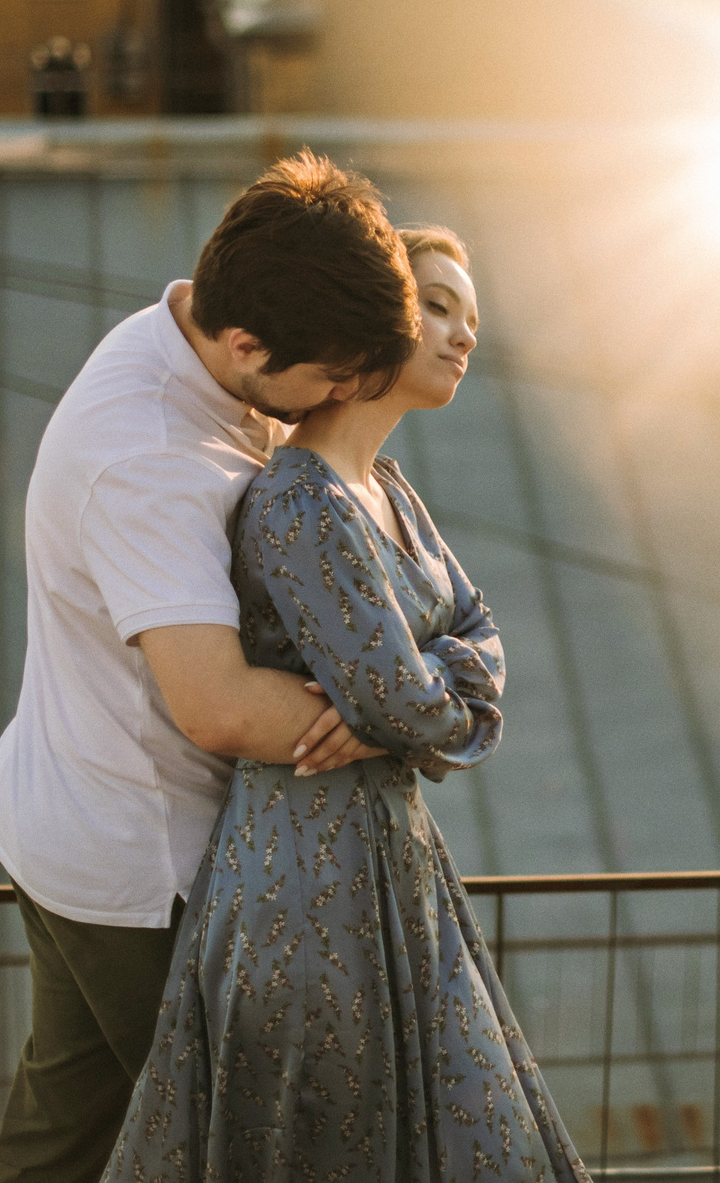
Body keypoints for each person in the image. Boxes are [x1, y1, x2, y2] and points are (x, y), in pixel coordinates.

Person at [108, 228, 587, 1183]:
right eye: (438, 307)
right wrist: (427, 707)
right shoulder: (298, 497)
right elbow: (400, 698)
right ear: (377, 324)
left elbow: (477, 639)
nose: (463, 335)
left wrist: (425, 695)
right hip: (302, 878)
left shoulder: (390, 491)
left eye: (472, 317)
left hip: (393, 861)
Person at [0, 152, 422, 1183]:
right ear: (243, 342)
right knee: (247, 1147)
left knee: (68, 1134)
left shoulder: (187, 339)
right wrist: (394, 712)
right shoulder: (146, 456)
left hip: (66, 816)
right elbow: (219, 706)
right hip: (139, 863)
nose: (342, 400)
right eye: (330, 379)